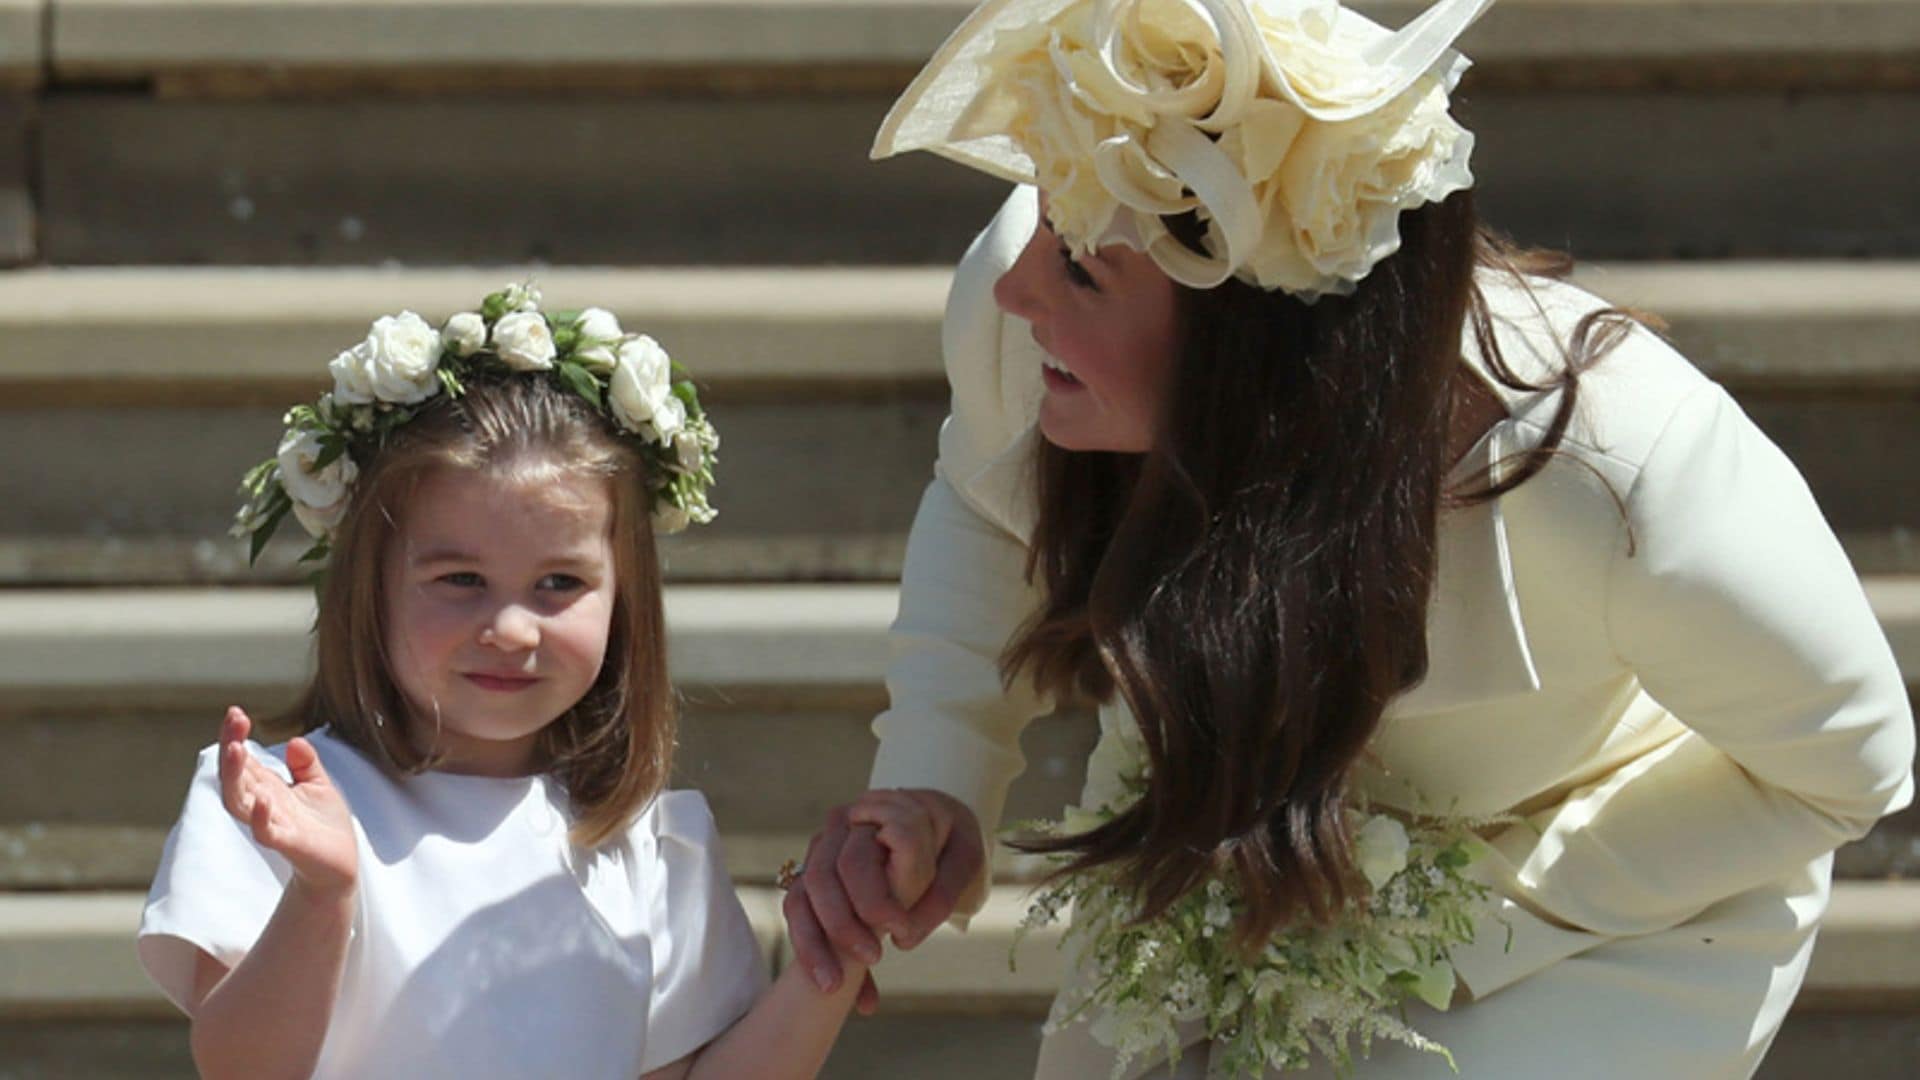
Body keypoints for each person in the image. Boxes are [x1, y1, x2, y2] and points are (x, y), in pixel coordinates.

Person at [784, 0, 1917, 1076]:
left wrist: (1456, 918)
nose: (1021, 289)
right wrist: (936, 782)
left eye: (1081, 265)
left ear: (1254, 336)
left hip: (1611, 907)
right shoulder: (1019, 312)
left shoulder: (1620, 474)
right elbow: (989, 507)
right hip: (1239, 826)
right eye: (1044, 220)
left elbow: (1849, 769)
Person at [136, 286, 936, 1079]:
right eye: (460, 579)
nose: (512, 628)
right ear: (368, 584)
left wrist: (835, 950)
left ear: (624, 598)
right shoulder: (274, 805)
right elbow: (241, 1066)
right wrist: (321, 894)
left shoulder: (656, 847)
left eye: (558, 584)